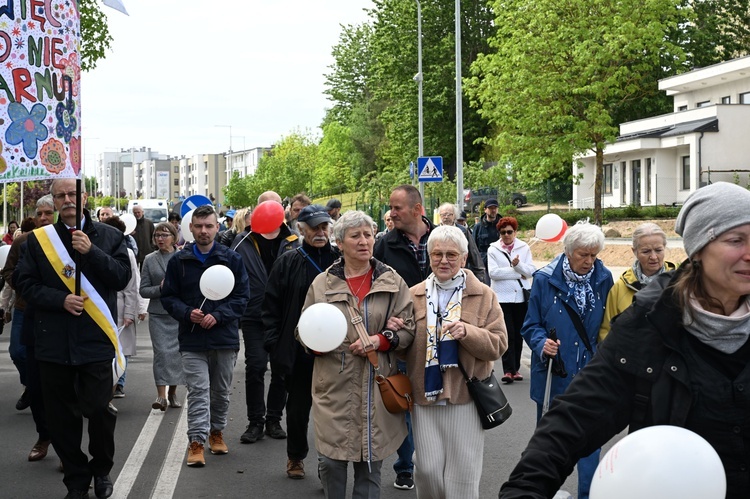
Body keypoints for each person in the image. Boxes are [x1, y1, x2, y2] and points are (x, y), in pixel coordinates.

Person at [501, 181, 750, 499]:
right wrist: (525, 488)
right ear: (699, 247)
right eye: (736, 240)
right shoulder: (651, 322)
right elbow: (576, 418)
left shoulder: (604, 277)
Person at [16, 179, 131, 499]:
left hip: (94, 341)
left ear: (84, 197)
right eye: (60, 195)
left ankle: (102, 469)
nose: (67, 200)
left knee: (98, 410)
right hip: (52, 342)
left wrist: (91, 252)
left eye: (72, 194)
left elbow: (121, 278)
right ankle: (77, 480)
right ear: (52, 201)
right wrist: (59, 300)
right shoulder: (37, 241)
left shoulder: (109, 236)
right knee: (61, 419)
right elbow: (24, 283)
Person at [300, 210, 415, 498]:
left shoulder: (392, 281)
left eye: (368, 235)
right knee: (330, 463)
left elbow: (409, 332)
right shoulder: (322, 284)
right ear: (339, 242)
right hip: (334, 387)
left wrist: (382, 339)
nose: (364, 241)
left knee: (370, 467)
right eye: (355, 236)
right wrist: (316, 342)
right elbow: (303, 331)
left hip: (376, 387)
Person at [404, 225, 507, 498]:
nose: (444, 260)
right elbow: (403, 345)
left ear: (463, 259)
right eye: (437, 254)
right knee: (426, 469)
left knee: (462, 474)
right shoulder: (413, 295)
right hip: (425, 394)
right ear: (429, 257)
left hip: (466, 396)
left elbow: (498, 344)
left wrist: (468, 333)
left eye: (451, 254)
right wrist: (396, 331)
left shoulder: (484, 294)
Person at [518, 221, 613, 499]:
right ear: (568, 251)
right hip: (554, 373)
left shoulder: (603, 277)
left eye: (594, 254)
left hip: (590, 374)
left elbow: (608, 325)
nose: (589, 261)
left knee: (591, 441)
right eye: (583, 254)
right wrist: (540, 343)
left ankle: (587, 494)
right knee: (550, 444)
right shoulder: (545, 279)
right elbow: (530, 324)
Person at [161, 204, 250, 467]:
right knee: (199, 391)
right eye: (199, 226)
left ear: (217, 227)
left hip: (224, 338)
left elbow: (242, 297)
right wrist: (188, 313)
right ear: (190, 228)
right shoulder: (179, 260)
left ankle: (216, 432)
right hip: (192, 339)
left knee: (220, 392)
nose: (204, 231)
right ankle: (196, 441)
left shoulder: (231, 259)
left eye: (209, 226)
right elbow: (169, 297)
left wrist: (219, 315)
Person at [262, 204, 340, 479]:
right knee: (297, 409)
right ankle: (295, 457)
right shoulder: (288, 261)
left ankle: (328, 462)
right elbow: (270, 305)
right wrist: (273, 343)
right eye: (314, 228)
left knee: (332, 411)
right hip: (298, 349)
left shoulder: (340, 259)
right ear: (301, 230)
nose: (320, 233)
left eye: (324, 227)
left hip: (336, 348)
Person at [373, 184, 433, 489]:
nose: (391, 213)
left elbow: (475, 274)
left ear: (417, 209)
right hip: (404, 338)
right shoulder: (383, 246)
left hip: (443, 337)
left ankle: (435, 464)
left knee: (439, 401)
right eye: (391, 208)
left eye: (397, 208)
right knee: (406, 401)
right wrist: (385, 319)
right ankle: (405, 466)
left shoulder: (446, 238)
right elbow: (372, 291)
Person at [231, 192, 300, 444]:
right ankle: (255, 422)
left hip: (284, 315)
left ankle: (273, 419)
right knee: (256, 367)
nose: (268, 209)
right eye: (263, 205)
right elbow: (231, 274)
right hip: (253, 315)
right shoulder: (243, 240)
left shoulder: (293, 239)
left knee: (281, 369)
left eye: (273, 204)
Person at [2, 195, 56, 462]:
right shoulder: (23, 242)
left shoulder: (68, 242)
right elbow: (8, 271)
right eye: (41, 213)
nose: (44, 218)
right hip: (27, 309)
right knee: (19, 354)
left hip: (60, 313)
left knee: (60, 381)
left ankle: (65, 446)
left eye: (49, 213)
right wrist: (27, 288)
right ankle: (43, 433)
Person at [598, 222, 678, 341]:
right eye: (646, 251)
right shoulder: (620, 288)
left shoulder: (680, 282)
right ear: (634, 251)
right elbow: (607, 333)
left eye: (658, 250)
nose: (654, 257)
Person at [139, 222, 185, 411]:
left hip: (178, 313)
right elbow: (143, 290)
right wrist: (160, 288)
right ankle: (161, 396)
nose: (160, 239)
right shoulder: (150, 259)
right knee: (161, 354)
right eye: (157, 235)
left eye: (164, 235)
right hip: (158, 314)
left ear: (174, 237)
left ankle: (173, 392)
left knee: (177, 354)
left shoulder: (182, 257)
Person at [102, 216, 147, 399]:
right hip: (101, 306)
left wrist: (132, 311)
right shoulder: (96, 249)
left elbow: (132, 284)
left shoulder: (127, 253)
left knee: (122, 349)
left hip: (121, 307)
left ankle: (118, 382)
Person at [487, 217, 535, 383]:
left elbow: (530, 271)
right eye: (503, 232)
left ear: (515, 232)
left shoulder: (524, 247)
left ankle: (516, 369)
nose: (506, 235)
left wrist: (519, 266)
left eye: (509, 232)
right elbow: (493, 273)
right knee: (507, 333)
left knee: (519, 333)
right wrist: (516, 271)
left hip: (521, 296)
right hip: (502, 297)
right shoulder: (493, 249)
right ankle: (508, 370)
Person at [438, 202, 487, 283]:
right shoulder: (434, 231)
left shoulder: (463, 231)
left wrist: (480, 277)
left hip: (460, 274)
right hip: (441, 274)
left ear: (454, 216)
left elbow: (473, 253)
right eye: (443, 215)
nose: (446, 217)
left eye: (449, 214)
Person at [473, 198, 501, 271]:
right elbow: (473, 248)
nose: (493, 210)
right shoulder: (478, 227)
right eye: (491, 208)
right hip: (483, 265)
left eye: (495, 208)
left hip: (499, 263)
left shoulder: (503, 227)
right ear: (485, 210)